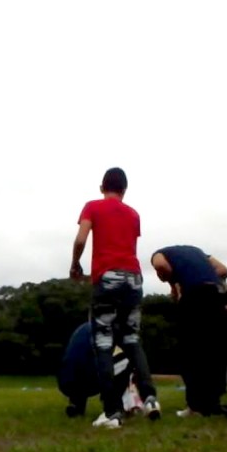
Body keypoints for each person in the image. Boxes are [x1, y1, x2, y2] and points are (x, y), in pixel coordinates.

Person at [70, 167, 161, 429]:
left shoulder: (93, 207)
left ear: (102, 187)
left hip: (107, 279)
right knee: (132, 340)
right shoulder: (133, 214)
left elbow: (80, 239)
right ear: (124, 190)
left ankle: (112, 412)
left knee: (103, 343)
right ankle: (151, 398)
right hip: (134, 279)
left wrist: (75, 264)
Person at [150, 246, 227, 417]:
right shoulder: (200, 252)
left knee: (190, 352)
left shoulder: (158, 254)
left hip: (193, 297)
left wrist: (172, 281)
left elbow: (161, 266)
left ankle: (195, 407)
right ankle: (213, 404)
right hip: (214, 296)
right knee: (213, 352)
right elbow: (223, 269)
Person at [58, 322, 148, 418]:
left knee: (83, 363)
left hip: (65, 381)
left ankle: (76, 405)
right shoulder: (112, 330)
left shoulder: (82, 328)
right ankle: (114, 406)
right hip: (91, 380)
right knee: (125, 361)